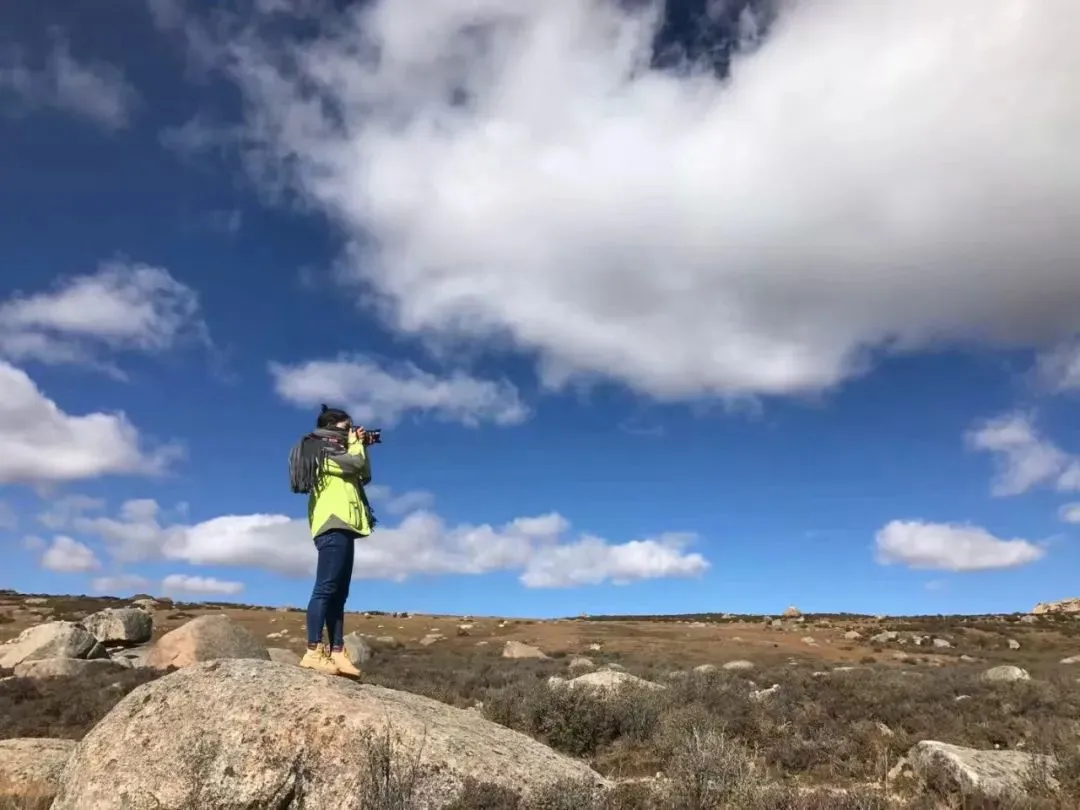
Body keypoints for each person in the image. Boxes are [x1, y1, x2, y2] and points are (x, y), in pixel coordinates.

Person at [288, 404, 376, 678]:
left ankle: (337, 651)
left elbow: (364, 475)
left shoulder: (339, 449)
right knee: (326, 589)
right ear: (331, 426)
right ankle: (313, 651)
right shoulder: (322, 449)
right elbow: (356, 464)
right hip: (332, 523)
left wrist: (361, 445)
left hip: (343, 525)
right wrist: (356, 444)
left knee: (339, 593)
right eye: (346, 428)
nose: (350, 432)